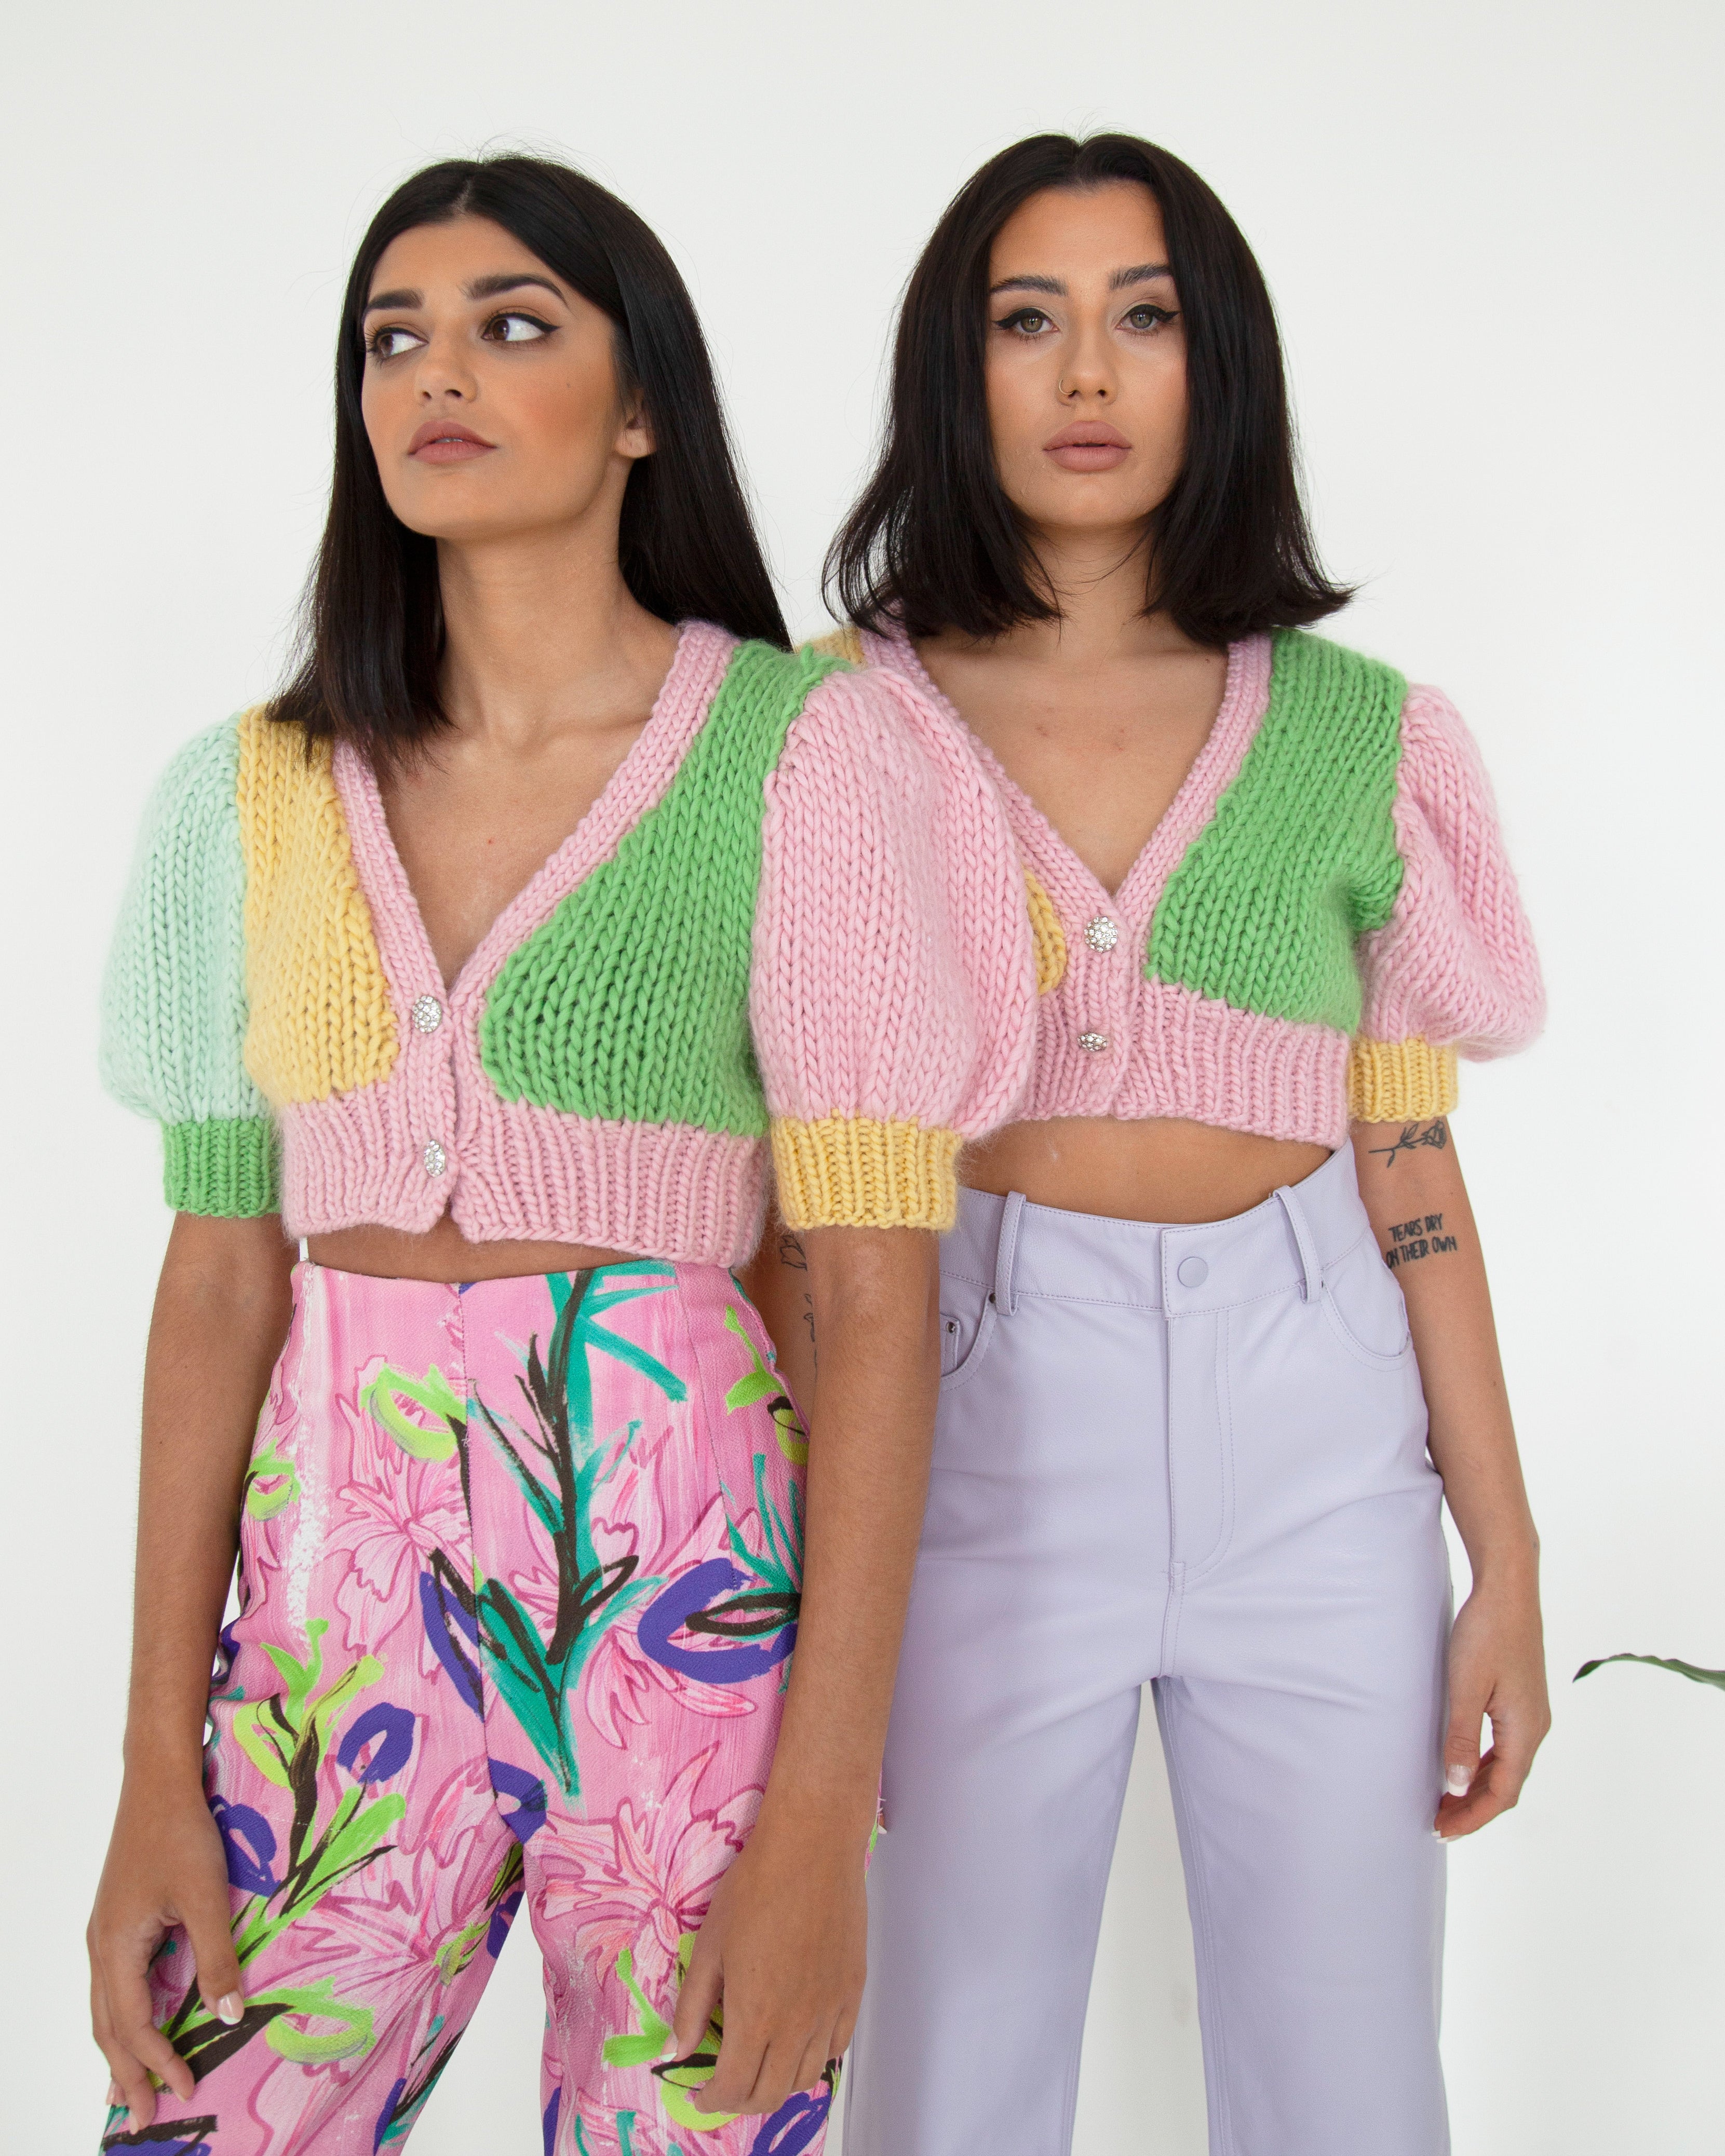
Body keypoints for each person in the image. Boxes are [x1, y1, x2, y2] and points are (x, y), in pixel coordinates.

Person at [89, 153, 1033, 2156]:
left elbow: (872, 1295)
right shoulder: (245, 793)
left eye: (513, 325)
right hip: (326, 1587)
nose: (439, 372)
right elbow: (217, 1282)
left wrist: (819, 1822)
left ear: (637, 407)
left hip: (692, 1599)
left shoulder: (804, 753)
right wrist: (150, 1772)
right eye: (392, 337)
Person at [777, 130, 1549, 2155]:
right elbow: (785, 1188)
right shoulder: (829, 729)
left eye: (1145, 318)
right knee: (951, 2064)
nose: (1088, 373)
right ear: (961, 371)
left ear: (1223, 369)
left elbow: (1413, 1170)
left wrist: (1508, 1555)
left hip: (1318, 1426)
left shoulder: (1362, 731)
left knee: (1352, 2086)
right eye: (1027, 321)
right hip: (960, 1419)